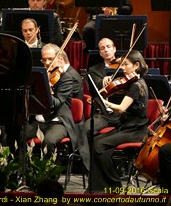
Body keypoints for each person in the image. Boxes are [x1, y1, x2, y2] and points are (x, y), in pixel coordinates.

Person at [88, 50, 149, 193]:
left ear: (136, 65)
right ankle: (97, 188)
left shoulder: (136, 85)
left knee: (99, 144)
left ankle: (113, 184)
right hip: (127, 127)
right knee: (96, 142)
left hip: (136, 130)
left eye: (125, 64)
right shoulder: (133, 82)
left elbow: (121, 108)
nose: (122, 67)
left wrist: (103, 101)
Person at [24, 44, 87, 165]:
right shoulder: (40, 76)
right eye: (44, 59)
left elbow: (57, 103)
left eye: (50, 59)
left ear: (59, 58)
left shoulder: (66, 78)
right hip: (40, 121)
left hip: (58, 121)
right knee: (20, 135)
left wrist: (46, 87)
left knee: (49, 141)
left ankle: (49, 176)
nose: (47, 63)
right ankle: (24, 172)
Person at [85, 37, 122, 136]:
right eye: (102, 48)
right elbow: (95, 87)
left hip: (121, 113)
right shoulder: (94, 70)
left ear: (114, 49)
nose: (106, 50)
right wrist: (103, 81)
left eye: (108, 47)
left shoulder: (124, 67)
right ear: (100, 53)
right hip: (103, 114)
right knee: (85, 129)